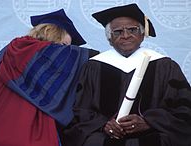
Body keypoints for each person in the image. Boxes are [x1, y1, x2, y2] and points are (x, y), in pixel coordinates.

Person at [61, 3, 191, 146]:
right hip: (104, 136)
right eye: (117, 32)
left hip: (153, 134)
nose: (126, 35)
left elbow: (183, 109)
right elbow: (81, 110)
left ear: (142, 34)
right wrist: (103, 124)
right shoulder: (93, 67)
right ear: (109, 39)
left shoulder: (165, 66)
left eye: (132, 30)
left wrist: (149, 121)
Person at [0, 9, 98, 146]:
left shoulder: (11, 51)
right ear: (54, 34)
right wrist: (104, 59)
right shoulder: (34, 51)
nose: (67, 52)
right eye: (64, 46)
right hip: (23, 132)